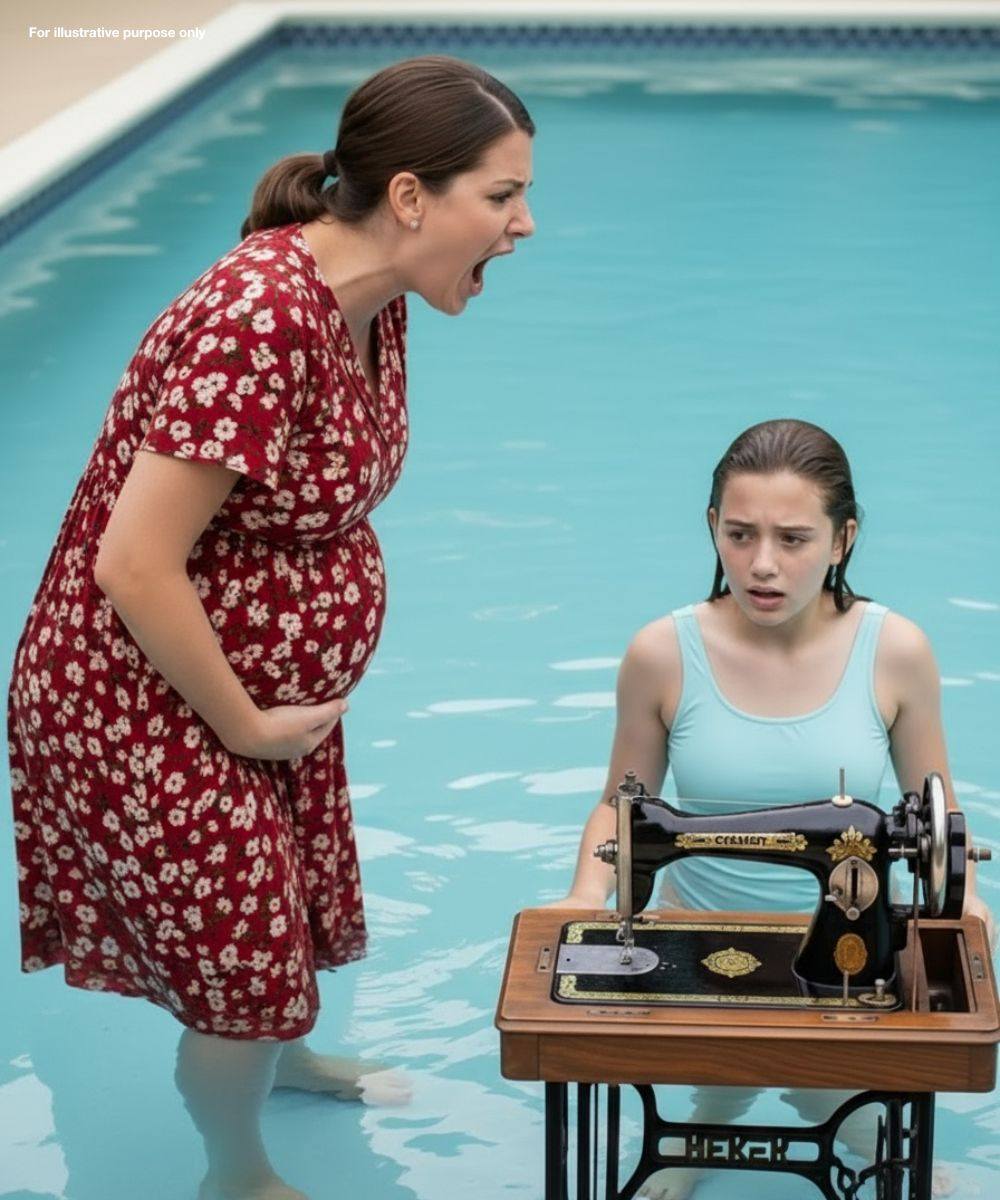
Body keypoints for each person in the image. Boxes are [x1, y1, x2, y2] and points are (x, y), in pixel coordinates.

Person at [7, 55, 535, 1200]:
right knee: (242, 965)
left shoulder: (376, 300)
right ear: (410, 197)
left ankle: (281, 1063)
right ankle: (235, 1172)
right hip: (146, 700)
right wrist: (245, 723)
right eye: (501, 195)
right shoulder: (260, 321)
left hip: (251, 699)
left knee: (279, 906)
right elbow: (132, 563)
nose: (522, 223)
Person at [548, 418, 992, 1200]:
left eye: (793, 539)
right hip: (697, 934)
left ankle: (746, 1116)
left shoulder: (896, 652)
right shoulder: (662, 653)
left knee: (837, 1107)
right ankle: (718, 1113)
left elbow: (937, 813)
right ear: (711, 526)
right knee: (743, 1070)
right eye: (740, 533)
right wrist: (586, 898)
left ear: (843, 538)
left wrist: (969, 909)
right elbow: (622, 806)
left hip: (844, 944)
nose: (762, 564)